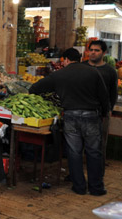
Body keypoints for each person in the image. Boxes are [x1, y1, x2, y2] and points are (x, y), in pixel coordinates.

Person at [29, 48, 109, 196]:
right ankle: (96, 188)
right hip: (92, 116)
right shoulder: (94, 72)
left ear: (65, 60)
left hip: (71, 116)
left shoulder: (59, 75)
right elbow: (104, 96)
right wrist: (103, 114)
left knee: (74, 152)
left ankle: (79, 187)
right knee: (94, 152)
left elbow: (34, 89)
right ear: (79, 58)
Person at [83, 40, 117, 168]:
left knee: (100, 142)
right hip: (83, 110)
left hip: (101, 112)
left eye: (96, 50)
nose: (93, 52)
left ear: (104, 53)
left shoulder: (110, 71)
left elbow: (113, 93)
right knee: (80, 142)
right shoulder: (82, 67)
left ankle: (99, 168)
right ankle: (76, 171)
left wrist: (109, 109)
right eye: (91, 50)